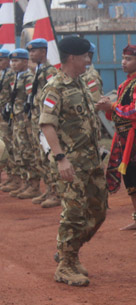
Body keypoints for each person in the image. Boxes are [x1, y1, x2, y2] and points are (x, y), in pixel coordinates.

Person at [39, 36, 107, 287]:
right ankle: (65, 265)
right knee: (74, 213)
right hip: (70, 164)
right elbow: (47, 124)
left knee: (98, 211)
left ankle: (70, 250)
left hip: (90, 160)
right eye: (85, 57)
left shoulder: (80, 84)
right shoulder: (55, 87)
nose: (88, 61)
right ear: (71, 58)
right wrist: (60, 159)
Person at [96, 44, 136, 236]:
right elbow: (117, 114)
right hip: (124, 137)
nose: (123, 62)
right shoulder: (125, 85)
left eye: (128, 59)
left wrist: (112, 106)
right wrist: (108, 108)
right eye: (123, 58)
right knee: (129, 177)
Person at [27, 38, 60, 208]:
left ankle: (56, 192)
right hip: (37, 118)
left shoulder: (49, 71)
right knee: (42, 157)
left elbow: (51, 95)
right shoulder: (39, 70)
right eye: (30, 51)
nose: (31, 54)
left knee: (50, 155)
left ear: (44, 52)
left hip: (46, 118)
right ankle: (49, 189)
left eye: (35, 51)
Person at [7, 48, 39, 200]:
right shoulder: (15, 77)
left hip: (25, 119)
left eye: (17, 61)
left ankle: (34, 184)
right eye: (12, 61)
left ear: (25, 62)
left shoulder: (28, 77)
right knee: (18, 149)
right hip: (16, 118)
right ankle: (26, 181)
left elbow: (29, 98)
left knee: (27, 150)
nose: (13, 64)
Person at [0, 48, 17, 191]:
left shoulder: (12, 75)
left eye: (1, 60)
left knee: (8, 145)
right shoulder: (2, 74)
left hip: (7, 115)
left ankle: (14, 177)